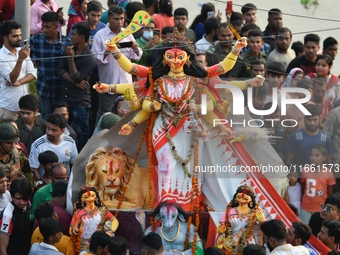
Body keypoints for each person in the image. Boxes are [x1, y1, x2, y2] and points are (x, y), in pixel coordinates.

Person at [93, 28, 251, 210]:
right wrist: (114, 55)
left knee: (191, 168)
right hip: (163, 127)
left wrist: (236, 49)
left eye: (179, 57)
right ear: (164, 59)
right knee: (165, 165)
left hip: (189, 128)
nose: (175, 61)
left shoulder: (195, 79)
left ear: (187, 59)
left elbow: (222, 68)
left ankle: (187, 206)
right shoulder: (158, 79)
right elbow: (132, 70)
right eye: (171, 57)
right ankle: (165, 205)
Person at [91, 5, 142, 121]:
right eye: (116, 19)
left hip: (126, 85)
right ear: (108, 19)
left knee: (127, 115)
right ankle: (100, 138)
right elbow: (95, 59)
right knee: (106, 116)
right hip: (109, 85)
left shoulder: (128, 33)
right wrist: (108, 51)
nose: (120, 22)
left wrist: (134, 47)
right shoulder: (100, 35)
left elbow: (136, 57)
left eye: (122, 19)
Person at [57, 22, 97, 151]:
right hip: (66, 98)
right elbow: (60, 70)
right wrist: (74, 82)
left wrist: (70, 59)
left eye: (73, 34)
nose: (71, 37)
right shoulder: (69, 49)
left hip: (80, 101)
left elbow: (77, 77)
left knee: (82, 133)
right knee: (63, 130)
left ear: (81, 37)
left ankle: (80, 157)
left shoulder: (89, 58)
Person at [30, 11, 71, 119]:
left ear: (56, 26)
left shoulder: (67, 43)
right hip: (44, 88)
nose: (44, 30)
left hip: (61, 89)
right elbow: (24, 53)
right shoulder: (35, 41)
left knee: (60, 119)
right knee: (46, 119)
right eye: (43, 27)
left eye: (48, 27)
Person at [0, 20, 36, 121]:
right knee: (9, 135)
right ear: (6, 38)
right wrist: (20, 60)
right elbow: (12, 78)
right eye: (15, 36)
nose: (19, 38)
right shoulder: (1, 56)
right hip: (9, 107)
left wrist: (19, 82)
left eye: (20, 35)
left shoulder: (22, 51)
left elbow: (33, 74)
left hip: (25, 107)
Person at [215, 185, 265, 255]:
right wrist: (221, 230)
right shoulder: (230, 211)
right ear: (235, 197)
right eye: (239, 197)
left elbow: (264, 227)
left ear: (251, 199)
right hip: (230, 243)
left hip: (247, 244)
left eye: (245, 199)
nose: (241, 200)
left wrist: (262, 220)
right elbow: (221, 225)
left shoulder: (255, 212)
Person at [70, 186, 118, 254]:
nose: (90, 199)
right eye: (86, 197)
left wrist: (111, 231)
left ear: (96, 197)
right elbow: (71, 228)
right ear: (81, 199)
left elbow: (115, 221)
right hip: (84, 245)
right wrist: (75, 230)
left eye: (92, 196)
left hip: (100, 245)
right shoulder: (79, 213)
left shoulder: (102, 210)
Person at [29, 113, 78, 179]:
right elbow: (34, 169)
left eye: (54, 130)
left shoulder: (70, 142)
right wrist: (41, 185)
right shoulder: (37, 145)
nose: (49, 132)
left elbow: (76, 164)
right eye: (48, 128)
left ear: (62, 131)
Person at [300, 144, 336, 223]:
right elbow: (303, 187)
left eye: (317, 156)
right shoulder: (304, 170)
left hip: (321, 209)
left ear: (324, 158)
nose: (313, 158)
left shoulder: (328, 173)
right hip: (306, 207)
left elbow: (330, 193)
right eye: (311, 155)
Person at [0, 178, 32, 255]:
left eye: (25, 198)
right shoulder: (7, 216)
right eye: (18, 199)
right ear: (12, 196)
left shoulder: (28, 204)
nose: (22, 202)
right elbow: (2, 249)